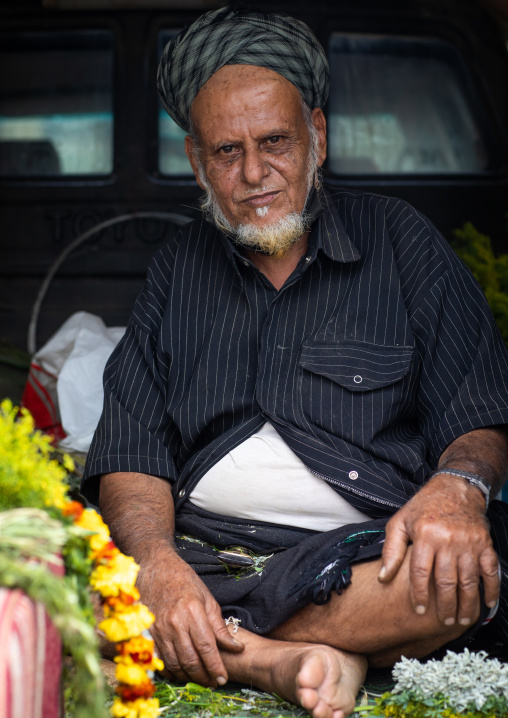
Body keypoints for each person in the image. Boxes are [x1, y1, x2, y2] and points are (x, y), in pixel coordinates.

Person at [81, 8, 508, 718]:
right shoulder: (177, 269)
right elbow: (132, 445)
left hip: (367, 562)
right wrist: (158, 565)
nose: (254, 173)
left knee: (451, 584)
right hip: (206, 550)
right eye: (226, 151)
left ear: (318, 136)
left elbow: (480, 410)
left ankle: (244, 650)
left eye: (275, 141)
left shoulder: (401, 243)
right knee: (46, 586)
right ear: (196, 161)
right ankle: (293, 660)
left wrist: (458, 489)